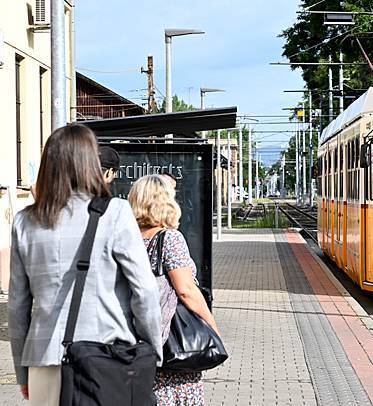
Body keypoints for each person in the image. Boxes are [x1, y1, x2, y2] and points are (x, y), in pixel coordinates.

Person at [8, 124, 163, 406]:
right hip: (106, 361)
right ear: (90, 163)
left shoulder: (25, 221)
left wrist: (22, 372)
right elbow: (146, 291)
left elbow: (17, 306)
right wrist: (153, 350)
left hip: (44, 362)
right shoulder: (114, 213)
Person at [128, 174, 220, 406]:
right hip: (170, 343)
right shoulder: (169, 238)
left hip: (134, 340)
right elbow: (186, 290)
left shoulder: (125, 238)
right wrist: (212, 326)